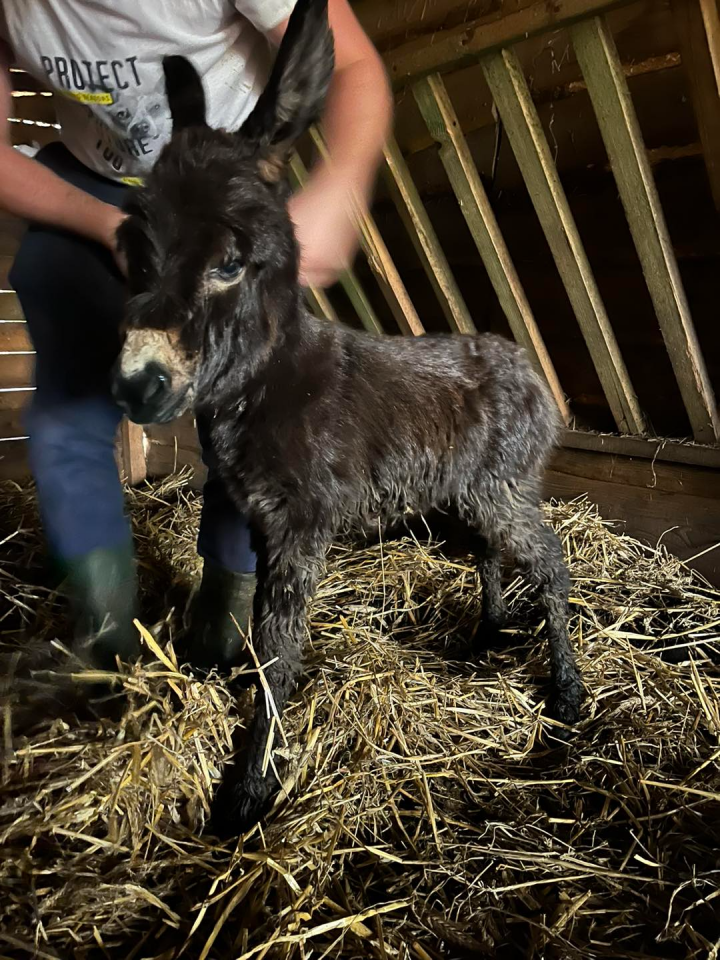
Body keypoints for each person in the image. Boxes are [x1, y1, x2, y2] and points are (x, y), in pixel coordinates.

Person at [0, 1, 393, 670]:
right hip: (98, 186)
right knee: (68, 400)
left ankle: (226, 613)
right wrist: (113, 228)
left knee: (250, 410)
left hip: (225, 185)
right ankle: (105, 644)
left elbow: (352, 60)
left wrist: (340, 187)